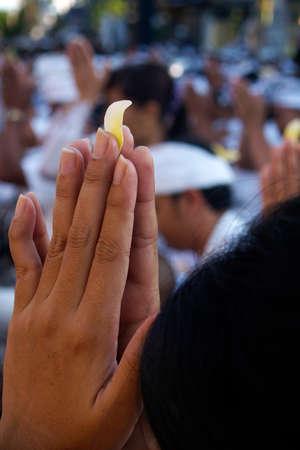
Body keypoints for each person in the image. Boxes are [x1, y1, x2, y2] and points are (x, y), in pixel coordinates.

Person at [2, 123, 300, 449]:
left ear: (189, 200)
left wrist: (29, 439)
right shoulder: (239, 260)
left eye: (154, 207)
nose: (150, 224)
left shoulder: (241, 283)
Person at [152, 142, 244, 263]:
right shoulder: (230, 246)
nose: (153, 223)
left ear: (189, 200)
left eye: (156, 209)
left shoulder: (231, 258)